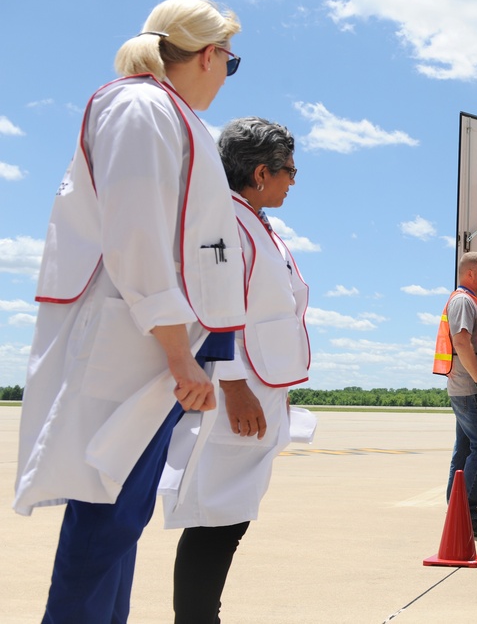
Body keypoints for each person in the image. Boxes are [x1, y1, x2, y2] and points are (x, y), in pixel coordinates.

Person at [13, 0, 245, 622]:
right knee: (106, 512)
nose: (227, 74)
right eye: (230, 59)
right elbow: (137, 237)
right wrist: (178, 354)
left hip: (150, 336)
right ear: (208, 54)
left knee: (121, 515)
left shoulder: (164, 111)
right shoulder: (140, 106)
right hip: (135, 339)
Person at [162, 117, 312, 622]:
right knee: (216, 518)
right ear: (262, 172)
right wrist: (234, 383)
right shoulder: (224, 221)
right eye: (290, 170)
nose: (294, 180)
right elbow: (213, 308)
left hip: (256, 385)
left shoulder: (252, 218)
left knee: (230, 516)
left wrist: (277, 382)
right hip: (236, 391)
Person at [433, 251, 477, 537]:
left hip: (465, 387)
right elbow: (461, 342)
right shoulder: (463, 301)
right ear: (471, 274)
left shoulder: (468, 300)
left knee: (466, 449)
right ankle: (466, 515)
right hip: (470, 389)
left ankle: (457, 511)